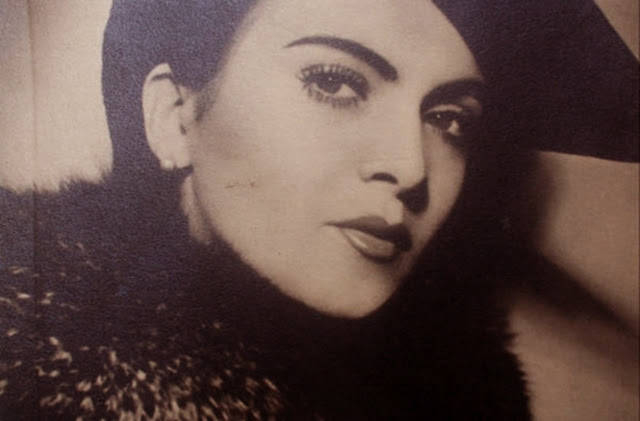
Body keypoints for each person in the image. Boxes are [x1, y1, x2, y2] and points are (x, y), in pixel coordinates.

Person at [0, 0, 636, 419]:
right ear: (173, 116)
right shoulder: (28, 359)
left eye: (450, 120)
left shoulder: (463, 394)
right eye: (334, 82)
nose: (411, 168)